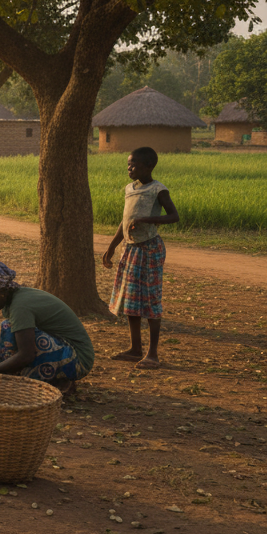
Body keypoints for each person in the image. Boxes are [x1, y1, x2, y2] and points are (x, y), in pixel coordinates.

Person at [0, 262, 94, 393]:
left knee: (7, 329)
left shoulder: (20, 306)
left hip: (78, 361)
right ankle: (55, 380)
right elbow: (18, 330)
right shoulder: (16, 297)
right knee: (7, 328)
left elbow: (26, 355)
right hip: (66, 349)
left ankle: (57, 381)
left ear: (0, 292)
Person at [103, 146, 179, 370]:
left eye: (134, 164)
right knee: (131, 300)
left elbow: (174, 216)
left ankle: (152, 355)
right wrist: (111, 247)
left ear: (149, 166)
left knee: (150, 301)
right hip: (131, 248)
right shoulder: (130, 189)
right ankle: (135, 349)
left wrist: (148, 219)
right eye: (128, 163)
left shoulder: (158, 190)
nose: (129, 167)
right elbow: (124, 221)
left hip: (149, 249)